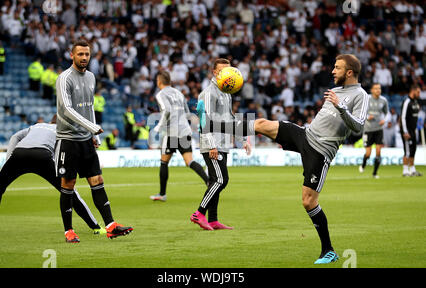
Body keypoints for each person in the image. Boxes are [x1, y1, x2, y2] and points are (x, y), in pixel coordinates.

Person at [204, 54, 369, 264]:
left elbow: (359, 126)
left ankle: (328, 250)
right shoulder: (335, 91)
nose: (332, 71)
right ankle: (218, 126)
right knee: (263, 124)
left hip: (320, 151)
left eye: (337, 68)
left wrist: (341, 107)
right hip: (306, 135)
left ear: (349, 72)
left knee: (309, 202)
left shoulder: (360, 95)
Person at [55, 39, 133, 243]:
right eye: (80, 54)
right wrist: (91, 127)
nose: (84, 58)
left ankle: (110, 226)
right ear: (72, 55)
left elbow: (89, 107)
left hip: (85, 140)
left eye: (87, 54)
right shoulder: (64, 78)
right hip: (68, 140)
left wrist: (94, 135)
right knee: (68, 184)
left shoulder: (90, 77)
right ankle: (68, 231)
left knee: (97, 180)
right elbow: (67, 109)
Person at [0, 115, 105, 239]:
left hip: (19, 154)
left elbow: (15, 136)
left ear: (51, 121)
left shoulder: (36, 126)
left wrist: (7, 162)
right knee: (69, 192)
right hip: (42, 156)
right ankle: (95, 227)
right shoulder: (63, 131)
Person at [191, 58, 251, 231]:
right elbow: (204, 119)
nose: (227, 74)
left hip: (222, 143)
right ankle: (199, 213)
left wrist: (242, 140)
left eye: (229, 70)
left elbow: (230, 119)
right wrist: (211, 145)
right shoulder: (209, 93)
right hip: (213, 144)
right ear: (214, 72)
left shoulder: (226, 93)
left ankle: (213, 220)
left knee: (214, 181)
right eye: (223, 70)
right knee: (221, 179)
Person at [149, 71, 208, 202]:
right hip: (184, 130)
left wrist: (158, 127)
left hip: (172, 132)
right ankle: (209, 183)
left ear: (159, 81)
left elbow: (167, 110)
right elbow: (187, 112)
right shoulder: (179, 93)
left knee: (164, 161)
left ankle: (162, 194)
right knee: (189, 161)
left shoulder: (160, 94)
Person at [359, 83, 389, 178]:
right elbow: (360, 111)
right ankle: (364, 164)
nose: (378, 90)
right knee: (368, 153)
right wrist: (367, 116)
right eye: (376, 88)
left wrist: (384, 120)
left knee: (378, 152)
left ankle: (375, 173)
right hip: (368, 129)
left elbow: (387, 113)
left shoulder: (383, 100)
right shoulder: (366, 99)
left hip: (379, 129)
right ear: (371, 90)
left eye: (379, 88)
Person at [400, 84, 422, 177]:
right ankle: (405, 171)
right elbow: (403, 117)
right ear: (413, 91)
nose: (419, 94)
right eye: (418, 92)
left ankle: (412, 170)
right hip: (407, 131)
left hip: (413, 130)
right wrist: (405, 131)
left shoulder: (416, 102)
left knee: (413, 150)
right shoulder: (407, 101)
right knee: (407, 151)